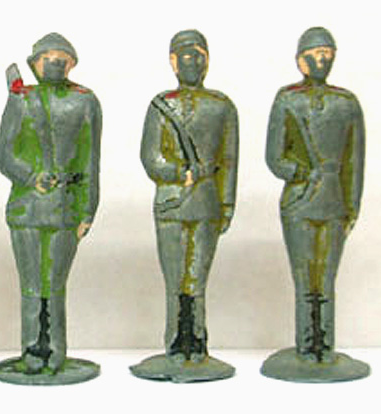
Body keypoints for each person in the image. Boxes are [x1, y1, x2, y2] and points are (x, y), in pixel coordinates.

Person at [262, 27, 368, 382]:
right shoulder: (287, 99)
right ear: (301, 61)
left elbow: (354, 160)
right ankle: (307, 345)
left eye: (327, 54)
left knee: (327, 276)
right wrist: (298, 173)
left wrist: (352, 205)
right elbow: (274, 155)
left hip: (334, 201)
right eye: (316, 55)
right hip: (300, 200)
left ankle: (325, 346)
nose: (322, 61)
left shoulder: (346, 103)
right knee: (304, 275)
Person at [132, 29, 238, 382]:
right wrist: (179, 173)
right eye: (186, 56)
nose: (193, 63)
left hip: (207, 204)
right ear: (173, 62)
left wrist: (226, 203)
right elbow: (150, 156)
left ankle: (198, 344)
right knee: (175, 277)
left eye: (199, 56)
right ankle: (176, 344)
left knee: (197, 278)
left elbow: (229, 159)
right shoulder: (161, 105)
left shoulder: (222, 106)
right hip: (171, 204)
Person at [0, 32, 101, 376]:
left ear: (71, 64)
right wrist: (30, 176)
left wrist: (88, 210)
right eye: (47, 59)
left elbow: (90, 161)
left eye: (61, 59)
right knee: (31, 284)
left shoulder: (85, 102)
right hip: (26, 208)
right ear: (35, 64)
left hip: (65, 209)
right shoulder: (21, 100)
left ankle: (55, 351)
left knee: (54, 284)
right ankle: (32, 350)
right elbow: (5, 155)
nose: (54, 65)